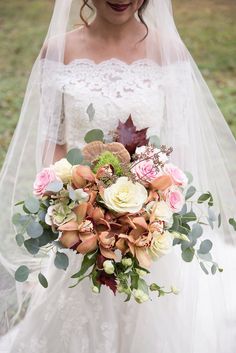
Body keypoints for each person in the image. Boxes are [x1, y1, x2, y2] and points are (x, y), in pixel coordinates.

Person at [0, 1, 235, 352]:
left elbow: (180, 147)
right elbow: (53, 144)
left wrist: (148, 212)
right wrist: (77, 202)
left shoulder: (169, 53)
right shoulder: (59, 51)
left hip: (148, 226)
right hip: (82, 220)